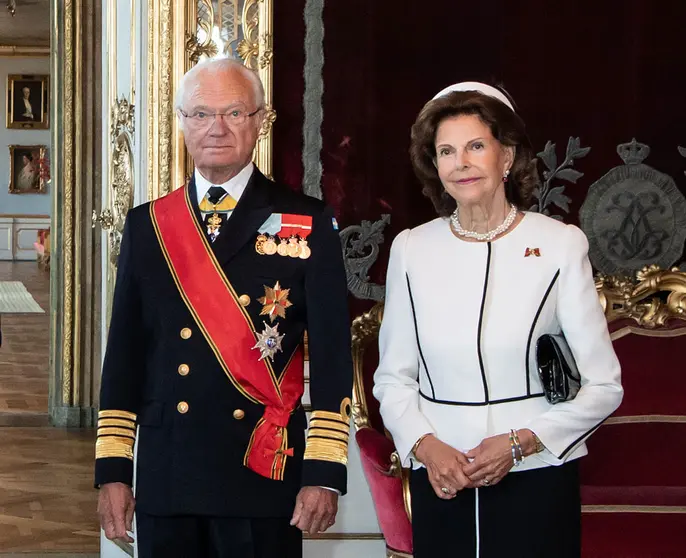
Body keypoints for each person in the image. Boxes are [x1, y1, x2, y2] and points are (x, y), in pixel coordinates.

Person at [95, 57, 353, 558]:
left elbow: (333, 360)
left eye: (234, 113)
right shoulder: (148, 225)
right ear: (182, 122)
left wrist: (323, 471)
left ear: (260, 122)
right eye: (201, 114)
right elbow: (123, 358)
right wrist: (112, 472)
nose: (216, 128)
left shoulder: (307, 220)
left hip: (261, 474)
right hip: (170, 473)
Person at [372, 82, 623, 557]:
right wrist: (426, 446)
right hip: (442, 476)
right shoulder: (411, 249)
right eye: (446, 151)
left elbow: (604, 387)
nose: (460, 162)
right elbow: (392, 378)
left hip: (536, 474)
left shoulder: (560, 245)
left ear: (506, 157)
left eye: (475, 146)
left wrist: (522, 442)